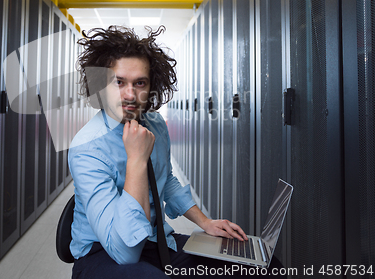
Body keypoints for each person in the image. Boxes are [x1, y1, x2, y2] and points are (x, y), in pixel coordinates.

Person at [68, 26, 282, 279]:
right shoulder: (87, 148)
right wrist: (136, 160)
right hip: (103, 252)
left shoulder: (155, 124)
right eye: (118, 82)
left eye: (140, 83)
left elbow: (165, 179)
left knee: (265, 267)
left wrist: (205, 222)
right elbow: (124, 253)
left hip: (155, 242)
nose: (130, 95)